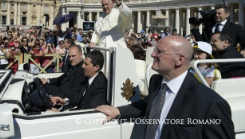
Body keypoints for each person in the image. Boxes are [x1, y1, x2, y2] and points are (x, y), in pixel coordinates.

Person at [96, 35, 234, 139]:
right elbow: (146, 106)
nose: (152, 54)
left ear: (179, 59)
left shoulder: (210, 103)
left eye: (159, 51)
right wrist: (118, 111)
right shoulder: (157, 82)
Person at [89, 0, 133, 73]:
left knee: (115, 72)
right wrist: (93, 41)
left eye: (106, 4)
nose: (105, 7)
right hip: (102, 49)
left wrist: (117, 2)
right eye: (103, 5)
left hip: (116, 47)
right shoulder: (100, 17)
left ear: (113, 4)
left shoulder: (119, 13)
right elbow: (96, 32)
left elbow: (128, 14)